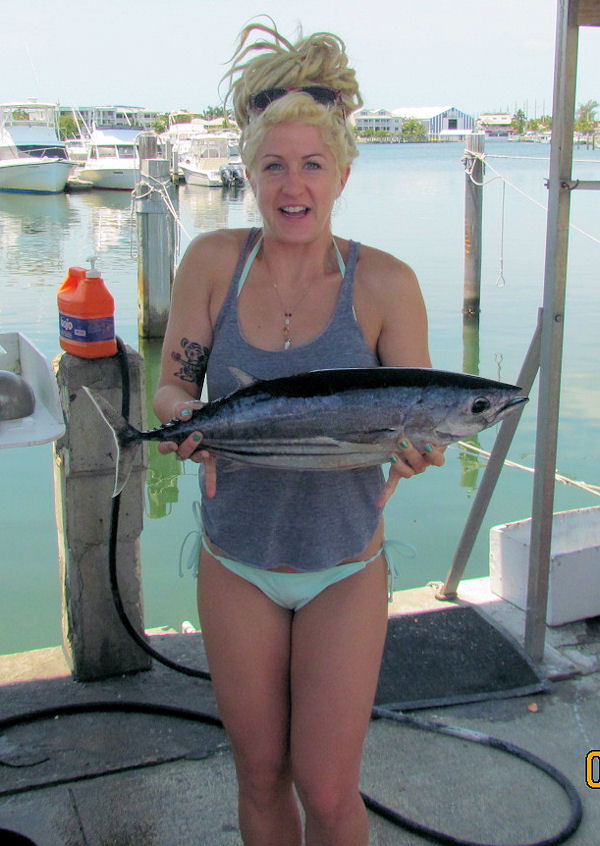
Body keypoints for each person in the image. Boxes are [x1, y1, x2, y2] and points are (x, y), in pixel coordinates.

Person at [153, 21, 444, 846]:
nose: (293, 184)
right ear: (248, 173)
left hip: (344, 568)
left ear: (343, 172)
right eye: (273, 165)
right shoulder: (212, 262)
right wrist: (183, 417)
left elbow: (415, 413)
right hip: (235, 560)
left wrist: (419, 452)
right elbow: (176, 382)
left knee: (328, 787)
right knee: (258, 777)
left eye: (312, 164)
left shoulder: (386, 284)